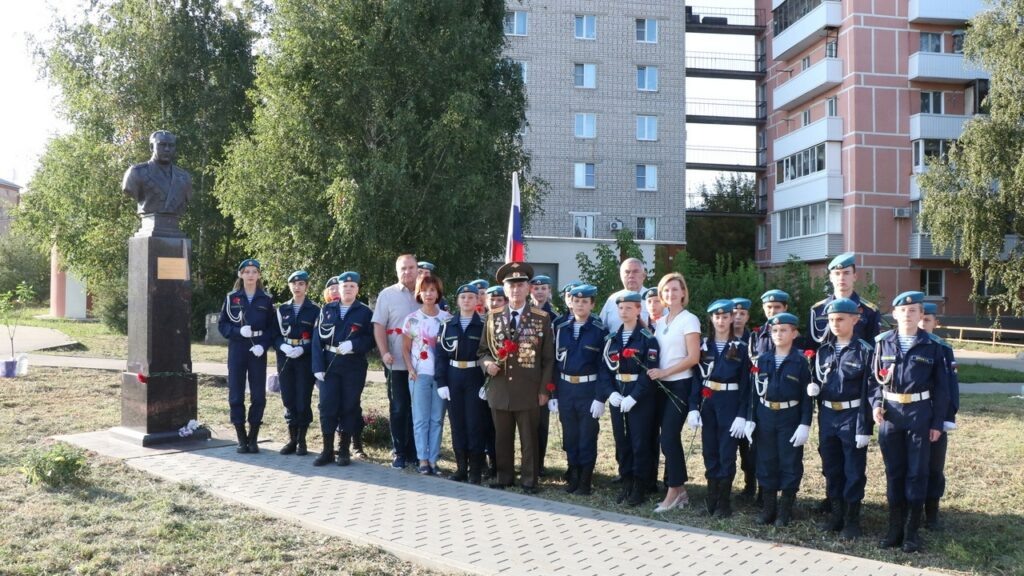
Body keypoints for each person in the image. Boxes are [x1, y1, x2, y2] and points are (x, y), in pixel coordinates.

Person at [872, 291, 950, 553]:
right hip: (891, 414)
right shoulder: (883, 344)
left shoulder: (934, 346)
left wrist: (937, 423)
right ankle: (894, 529)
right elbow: (874, 381)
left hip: (919, 414)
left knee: (917, 472)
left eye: (914, 310)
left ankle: (911, 532)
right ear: (894, 314)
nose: (908, 314)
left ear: (921, 315)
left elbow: (942, 389)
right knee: (894, 472)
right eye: (903, 311)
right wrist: (875, 405)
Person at [478, 262, 554, 493]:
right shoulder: (493, 317)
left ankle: (529, 480)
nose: (516, 290)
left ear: (528, 288)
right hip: (500, 388)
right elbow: (482, 350)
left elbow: (548, 359)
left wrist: (544, 390)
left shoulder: (541, 318)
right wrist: (487, 364)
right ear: (504, 288)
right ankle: (504, 477)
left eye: (520, 285)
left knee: (529, 438)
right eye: (511, 285)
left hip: (528, 389)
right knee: (502, 436)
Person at [807, 297, 876, 538]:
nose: (835, 324)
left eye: (840, 319)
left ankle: (852, 520)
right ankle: (836, 515)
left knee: (854, 470)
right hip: (827, 414)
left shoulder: (866, 351)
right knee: (831, 466)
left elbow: (871, 390)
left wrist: (865, 426)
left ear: (855, 319)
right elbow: (818, 378)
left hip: (852, 415)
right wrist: (813, 386)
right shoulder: (823, 350)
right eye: (831, 320)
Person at [688, 299, 751, 518]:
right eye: (717, 317)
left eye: (725, 317)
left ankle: (724, 503)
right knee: (709, 451)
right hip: (708, 402)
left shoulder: (742, 348)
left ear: (732, 318)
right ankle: (711, 499)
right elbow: (696, 379)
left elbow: (746, 385)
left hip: (730, 401)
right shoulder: (704, 346)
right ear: (711, 319)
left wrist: (742, 414)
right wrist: (693, 407)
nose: (721, 321)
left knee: (727, 453)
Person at [599, 291, 660, 506]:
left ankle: (640, 486)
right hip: (618, 393)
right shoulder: (612, 339)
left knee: (640, 442)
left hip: (640, 397)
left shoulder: (647, 338)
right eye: (621, 308)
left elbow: (650, 370)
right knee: (621, 441)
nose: (624, 312)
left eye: (629, 308)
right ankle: (626, 480)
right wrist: (611, 393)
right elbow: (604, 369)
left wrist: (634, 396)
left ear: (638, 310)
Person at [647, 272, 701, 512]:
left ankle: (673, 490)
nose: (670, 294)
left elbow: (693, 357)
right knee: (665, 439)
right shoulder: (662, 321)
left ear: (683, 292)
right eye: (665, 290)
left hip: (680, 385)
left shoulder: (690, 320)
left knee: (669, 438)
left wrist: (666, 371)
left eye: (675, 289)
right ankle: (681, 492)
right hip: (662, 385)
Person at [752, 312, 813, 527]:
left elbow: (808, 396)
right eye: (775, 330)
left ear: (794, 333)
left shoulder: (802, 361)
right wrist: (752, 418)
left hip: (790, 416)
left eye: (784, 330)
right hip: (766, 414)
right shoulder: (763, 359)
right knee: (766, 461)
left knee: (790, 462)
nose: (778, 334)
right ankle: (769, 509)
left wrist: (805, 423)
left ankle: (785, 510)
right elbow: (754, 392)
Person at [312, 272, 375, 466]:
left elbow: (372, 339)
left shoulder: (364, 312)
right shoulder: (327, 309)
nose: (348, 289)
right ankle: (327, 450)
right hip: (329, 364)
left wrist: (354, 345)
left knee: (349, 406)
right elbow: (316, 340)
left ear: (357, 289)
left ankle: (344, 450)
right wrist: (317, 366)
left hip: (353, 366)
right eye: (344, 286)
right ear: (337, 289)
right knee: (327, 406)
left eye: (352, 286)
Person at [551, 284, 609, 496]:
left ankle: (585, 481)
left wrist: (600, 397)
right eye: (577, 301)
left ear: (592, 304)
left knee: (587, 436)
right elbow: (554, 364)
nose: (580, 305)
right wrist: (553, 394)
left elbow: (605, 367)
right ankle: (573, 476)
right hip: (566, 389)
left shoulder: (600, 331)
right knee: (570, 436)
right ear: (571, 303)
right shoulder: (560, 329)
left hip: (588, 389)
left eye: (585, 301)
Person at [218, 258, 274, 454]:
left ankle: (253, 437)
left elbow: (272, 329)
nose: (250, 275)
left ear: (259, 275)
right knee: (236, 393)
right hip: (238, 349)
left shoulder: (266, 299)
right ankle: (241, 437)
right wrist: (237, 332)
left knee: (258, 394)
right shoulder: (231, 297)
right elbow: (222, 325)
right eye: (247, 271)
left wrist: (263, 345)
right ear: (240, 274)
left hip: (257, 350)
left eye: (254, 271)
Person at [372, 254, 420, 468]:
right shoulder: (387, 294)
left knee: (417, 409)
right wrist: (383, 353)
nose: (407, 272)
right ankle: (399, 451)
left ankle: (416, 452)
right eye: (403, 268)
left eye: (411, 267)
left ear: (417, 269)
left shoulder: (426, 292)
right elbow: (379, 326)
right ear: (397, 271)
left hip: (421, 365)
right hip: (396, 362)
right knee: (399, 407)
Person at [435, 284, 487, 483]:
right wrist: (441, 382)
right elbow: (440, 356)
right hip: (453, 376)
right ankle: (461, 469)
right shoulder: (447, 324)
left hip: (475, 376)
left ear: (477, 301)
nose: (467, 301)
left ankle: (475, 471)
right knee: (457, 424)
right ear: (457, 301)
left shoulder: (483, 325)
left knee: (475, 423)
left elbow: (489, 354)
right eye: (463, 297)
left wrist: (487, 383)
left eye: (471, 297)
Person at [401, 274, 451, 475]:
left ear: (438, 293)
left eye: (432, 290)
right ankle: (422, 459)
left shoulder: (446, 318)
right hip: (419, 375)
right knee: (420, 418)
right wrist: (410, 369)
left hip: (440, 378)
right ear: (419, 293)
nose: (429, 294)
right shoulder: (413, 319)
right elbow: (405, 348)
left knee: (437, 418)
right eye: (425, 290)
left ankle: (433, 459)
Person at [918, 302, 959, 531]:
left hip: (935, 413)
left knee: (934, 466)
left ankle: (931, 511)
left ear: (935, 322)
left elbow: (950, 387)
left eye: (927, 320)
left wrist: (946, 418)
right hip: (914, 414)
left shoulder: (943, 348)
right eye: (921, 319)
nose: (923, 324)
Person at [274, 270, 320, 456]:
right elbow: (275, 335)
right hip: (285, 357)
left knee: (303, 398)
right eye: (294, 283)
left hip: (304, 357)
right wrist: (282, 347)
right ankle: (292, 439)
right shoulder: (281, 309)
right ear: (289, 286)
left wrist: (303, 349)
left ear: (306, 287)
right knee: (288, 398)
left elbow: (317, 339)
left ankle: (302, 440)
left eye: (301, 284)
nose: (297, 287)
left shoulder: (315, 310)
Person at [809, 252, 882, 349]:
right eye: (837, 274)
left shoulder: (869, 311)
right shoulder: (817, 310)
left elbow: (873, 348)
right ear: (831, 278)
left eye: (846, 273)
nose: (841, 278)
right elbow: (810, 348)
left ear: (855, 276)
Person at [121, 130, 193, 220]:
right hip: (150, 223)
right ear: (152, 147)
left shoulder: (184, 177)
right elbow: (128, 190)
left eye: (171, 145)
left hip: (173, 226)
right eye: (162, 145)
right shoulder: (136, 173)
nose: (167, 149)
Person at [530, 274, 558, 477]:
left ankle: (538, 464)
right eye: (536, 288)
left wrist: (551, 389)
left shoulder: (555, 318)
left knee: (540, 423)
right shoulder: (523, 313)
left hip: (543, 377)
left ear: (549, 291)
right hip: (523, 375)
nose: (539, 292)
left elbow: (554, 355)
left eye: (543, 288)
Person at [730, 296, 757, 499]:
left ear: (747, 316)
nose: (737, 317)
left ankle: (751, 486)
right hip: (729, 397)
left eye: (742, 314)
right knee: (732, 444)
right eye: (734, 313)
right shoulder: (722, 339)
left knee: (750, 447)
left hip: (751, 397)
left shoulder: (754, 340)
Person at [599, 258, 649, 334]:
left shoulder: (653, 298)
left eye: (635, 271)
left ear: (644, 275)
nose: (631, 275)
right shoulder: (612, 300)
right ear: (621, 276)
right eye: (627, 272)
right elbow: (601, 328)